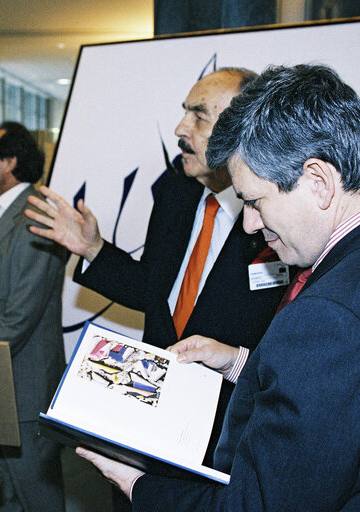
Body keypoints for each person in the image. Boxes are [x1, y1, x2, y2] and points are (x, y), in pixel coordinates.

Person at [77, 64, 360, 512]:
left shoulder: (333, 319)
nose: (250, 223)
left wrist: (138, 486)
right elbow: (349, 401)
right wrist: (240, 362)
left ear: (318, 182)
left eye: (255, 201)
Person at [25, 68, 286, 461]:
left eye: (199, 116)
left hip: (233, 430)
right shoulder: (176, 192)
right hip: (150, 411)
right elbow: (155, 290)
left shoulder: (277, 213)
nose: (181, 128)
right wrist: (94, 248)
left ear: (243, 128)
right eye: (184, 113)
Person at [0, 122, 67, 511]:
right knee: (6, 494)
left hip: (23, 387)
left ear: (9, 161)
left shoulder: (39, 216)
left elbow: (20, 314)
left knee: (35, 497)